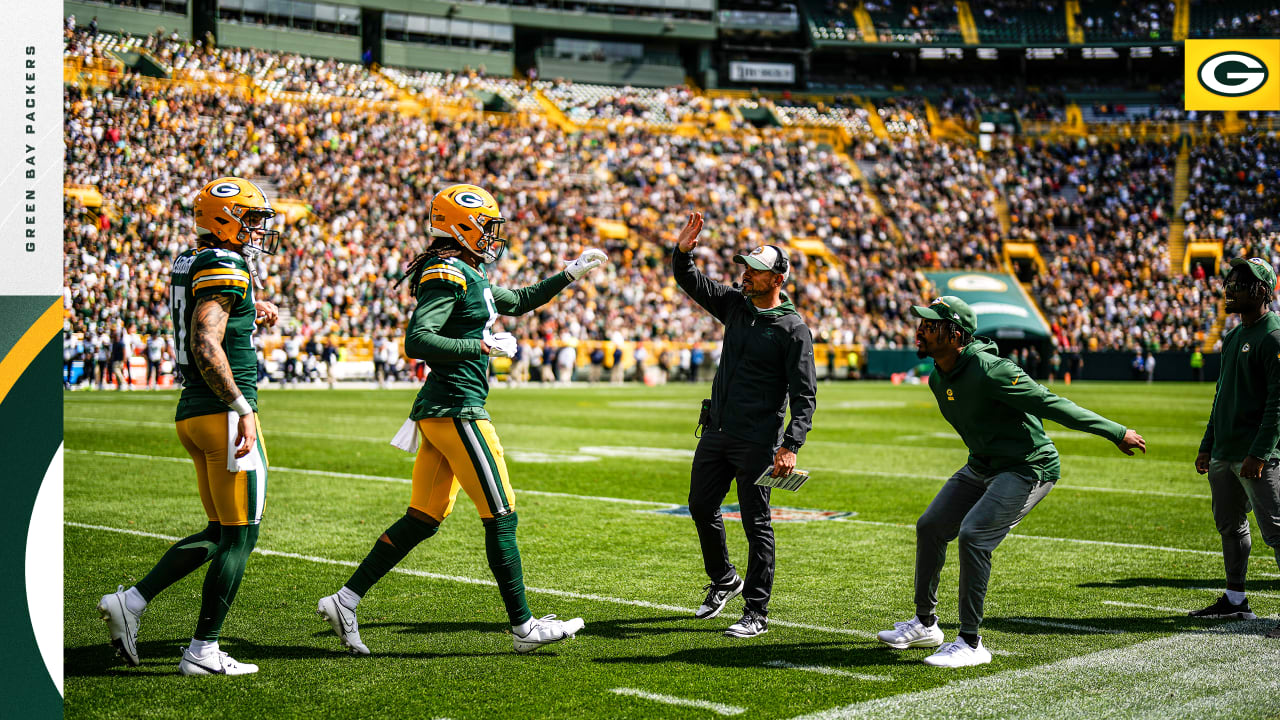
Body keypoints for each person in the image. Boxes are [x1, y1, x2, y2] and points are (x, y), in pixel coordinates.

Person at [316, 184, 606, 654]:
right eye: (487, 227)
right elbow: (419, 339)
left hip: (441, 409)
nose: (493, 237)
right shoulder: (447, 271)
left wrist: (568, 274)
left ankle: (345, 600)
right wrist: (481, 345)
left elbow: (519, 299)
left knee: (424, 517)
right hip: (458, 407)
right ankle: (523, 628)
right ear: (461, 226)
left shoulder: (466, 270)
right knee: (502, 514)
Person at [877, 296, 1145, 667]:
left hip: (1028, 466)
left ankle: (971, 643)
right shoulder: (938, 376)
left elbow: (1050, 403)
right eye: (921, 323)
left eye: (930, 325)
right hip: (983, 464)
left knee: (973, 536)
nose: (919, 330)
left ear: (955, 336)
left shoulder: (992, 370)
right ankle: (925, 624)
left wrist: (1115, 431)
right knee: (931, 526)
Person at [96, 176, 282, 676]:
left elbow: (209, 319)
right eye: (251, 218)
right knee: (242, 535)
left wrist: (249, 310)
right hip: (222, 412)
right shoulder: (224, 262)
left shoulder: (193, 259)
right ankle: (203, 650)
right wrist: (243, 407)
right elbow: (205, 340)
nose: (258, 229)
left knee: (221, 530)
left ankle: (131, 602)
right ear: (225, 218)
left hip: (194, 412)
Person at [672, 211, 817, 639]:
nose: (746, 276)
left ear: (777, 279)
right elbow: (691, 282)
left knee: (757, 524)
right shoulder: (736, 305)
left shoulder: (793, 330)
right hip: (717, 431)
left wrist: (790, 445)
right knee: (700, 505)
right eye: (746, 269)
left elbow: (805, 394)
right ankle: (724, 580)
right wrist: (683, 251)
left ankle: (756, 611)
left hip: (757, 441)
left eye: (755, 271)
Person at [1193, 258, 1280, 639]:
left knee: (1277, 531)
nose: (1230, 288)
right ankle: (1235, 599)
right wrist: (1207, 445)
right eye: (1229, 281)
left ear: (1263, 290)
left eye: (1240, 283)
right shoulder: (1231, 336)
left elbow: (1278, 404)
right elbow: (1220, 397)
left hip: (1257, 457)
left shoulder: (1273, 337)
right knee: (1230, 526)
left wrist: (1259, 453)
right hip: (1224, 453)